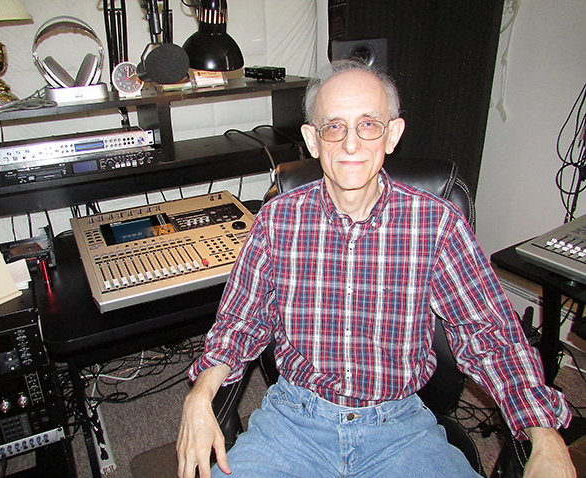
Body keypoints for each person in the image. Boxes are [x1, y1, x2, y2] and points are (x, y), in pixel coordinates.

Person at [176, 59, 575, 478]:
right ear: (313, 140)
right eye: (335, 127)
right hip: (294, 422)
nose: (351, 144)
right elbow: (241, 322)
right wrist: (201, 393)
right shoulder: (278, 220)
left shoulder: (436, 225)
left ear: (393, 134)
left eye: (368, 124)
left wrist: (545, 436)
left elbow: (492, 337)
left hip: (398, 427)